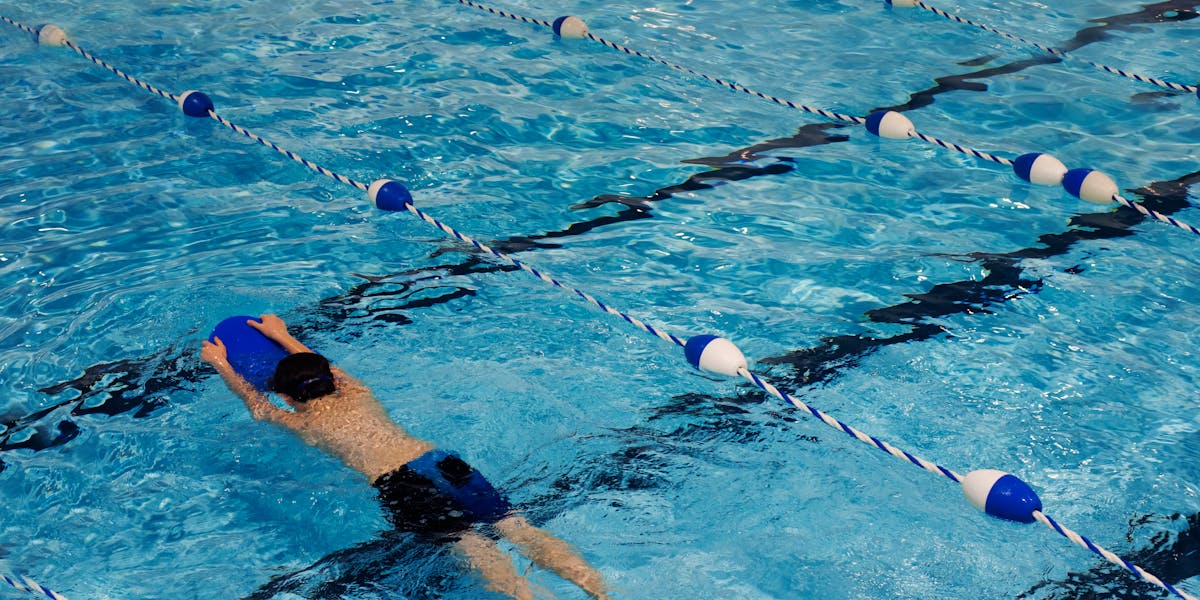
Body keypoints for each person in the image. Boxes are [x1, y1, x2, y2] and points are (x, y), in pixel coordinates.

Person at [201, 314, 610, 600]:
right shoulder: (359, 393)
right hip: (444, 462)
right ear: (331, 380)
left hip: (402, 484)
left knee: (469, 545)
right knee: (517, 528)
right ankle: (602, 593)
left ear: (288, 397)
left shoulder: (305, 424)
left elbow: (256, 404)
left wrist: (220, 362)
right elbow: (329, 369)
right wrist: (284, 335)